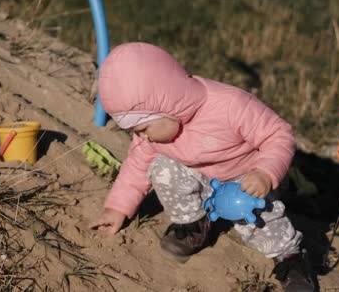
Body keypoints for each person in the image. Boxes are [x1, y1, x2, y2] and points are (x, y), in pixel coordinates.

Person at [89, 42, 317, 291]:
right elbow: (136, 165)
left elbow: (278, 135)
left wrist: (265, 172)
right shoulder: (152, 135)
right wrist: (117, 207)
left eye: (142, 129)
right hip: (204, 181)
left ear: (167, 106)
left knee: (261, 220)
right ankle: (194, 225)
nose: (141, 137)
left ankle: (290, 257)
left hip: (248, 180)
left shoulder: (229, 105)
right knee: (161, 166)